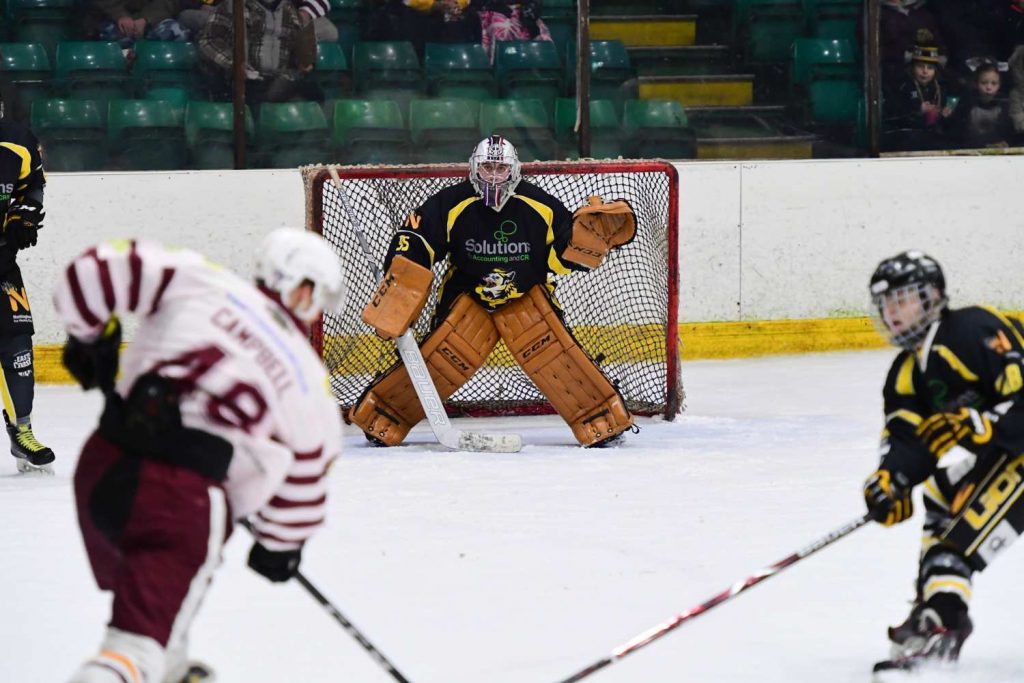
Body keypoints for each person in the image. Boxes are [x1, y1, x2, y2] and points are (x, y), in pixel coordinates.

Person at [56, 229, 344, 683]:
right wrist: (277, 546)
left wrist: (92, 336)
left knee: (162, 610)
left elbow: (91, 270)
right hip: (180, 502)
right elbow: (305, 480)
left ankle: (170, 669)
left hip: (103, 464)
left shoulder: (201, 279)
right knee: (134, 645)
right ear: (304, 290)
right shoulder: (309, 382)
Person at [350, 135, 636, 448]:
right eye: (488, 167)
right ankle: (383, 415)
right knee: (438, 360)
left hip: (527, 293)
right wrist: (403, 278)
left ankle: (601, 420)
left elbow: (559, 260)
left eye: (501, 168)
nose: (494, 175)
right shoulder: (453, 202)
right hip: (466, 294)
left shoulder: (540, 205)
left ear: (515, 170)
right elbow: (417, 237)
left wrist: (583, 248)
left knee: (557, 355)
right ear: (474, 168)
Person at [861, 250, 1024, 672]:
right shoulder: (906, 373)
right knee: (939, 493)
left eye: (901, 299)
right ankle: (936, 609)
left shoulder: (973, 330)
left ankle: (943, 626)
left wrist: (983, 427)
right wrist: (891, 480)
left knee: (955, 542)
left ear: (931, 296)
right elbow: (908, 441)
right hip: (1013, 452)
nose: (891, 312)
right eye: (885, 304)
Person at [0, 121, 53, 473]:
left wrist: (25, 216)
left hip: (1, 262)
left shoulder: (16, 143)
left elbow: (33, 187)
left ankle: (23, 432)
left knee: (18, 342)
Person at [197, 0, 320, 104]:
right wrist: (234, 64)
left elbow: (300, 57)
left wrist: (304, 61)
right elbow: (208, 40)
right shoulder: (233, 6)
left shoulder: (290, 12)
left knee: (313, 92)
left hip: (278, 81)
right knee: (285, 89)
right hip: (241, 84)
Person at [883, 42, 955, 151]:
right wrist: (918, 110)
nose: (925, 71)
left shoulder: (941, 88)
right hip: (908, 137)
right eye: (920, 66)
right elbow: (893, 115)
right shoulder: (903, 87)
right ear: (912, 68)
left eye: (930, 68)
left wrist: (946, 114)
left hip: (935, 137)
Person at [948, 62, 1015, 148]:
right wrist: (985, 146)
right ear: (976, 83)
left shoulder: (1006, 106)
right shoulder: (965, 105)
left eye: (994, 83)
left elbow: (1010, 134)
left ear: (999, 85)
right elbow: (957, 136)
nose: (989, 87)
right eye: (984, 83)